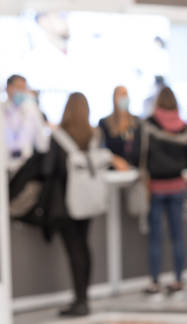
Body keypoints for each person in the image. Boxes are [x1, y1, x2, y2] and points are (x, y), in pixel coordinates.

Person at [43, 93, 126, 317]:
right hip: (87, 200)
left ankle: (80, 300)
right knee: (83, 247)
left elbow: (49, 169)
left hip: (66, 203)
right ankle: (83, 297)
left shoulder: (58, 137)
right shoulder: (92, 136)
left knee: (75, 250)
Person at [139, 87, 187, 296]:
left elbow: (139, 153)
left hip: (156, 187)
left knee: (156, 236)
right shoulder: (184, 127)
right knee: (178, 235)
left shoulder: (149, 125)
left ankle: (155, 281)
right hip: (178, 186)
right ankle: (178, 279)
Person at [3, 74, 49, 173]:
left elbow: (43, 144)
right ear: (8, 88)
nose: (21, 92)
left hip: (26, 166)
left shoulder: (32, 111)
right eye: (18, 87)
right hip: (4, 164)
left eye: (24, 88)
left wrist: (34, 112)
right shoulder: (2, 110)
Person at [99, 86, 139, 167]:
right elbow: (100, 149)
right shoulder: (104, 122)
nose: (124, 98)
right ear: (114, 98)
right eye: (121, 94)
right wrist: (114, 159)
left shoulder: (137, 121)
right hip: (112, 170)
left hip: (134, 169)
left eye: (125, 94)